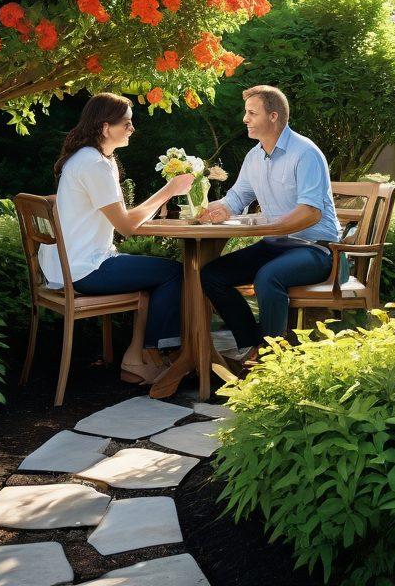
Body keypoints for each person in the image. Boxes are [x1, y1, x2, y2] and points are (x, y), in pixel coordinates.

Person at [41, 92, 193, 385]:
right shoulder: (94, 164)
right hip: (86, 268)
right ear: (104, 127)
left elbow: (124, 217)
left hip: (77, 263)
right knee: (175, 273)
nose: (132, 129)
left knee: (156, 278)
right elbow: (126, 226)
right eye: (126, 123)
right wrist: (168, 191)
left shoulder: (94, 159)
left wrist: (154, 203)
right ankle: (156, 354)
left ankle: (135, 360)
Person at [199, 85, 340, 366]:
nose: (245, 119)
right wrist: (217, 209)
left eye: (252, 113)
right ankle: (256, 343)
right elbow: (238, 197)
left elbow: (310, 213)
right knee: (212, 274)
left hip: (316, 249)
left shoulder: (305, 153)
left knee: (267, 276)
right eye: (246, 112)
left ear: (273, 116)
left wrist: (268, 229)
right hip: (277, 245)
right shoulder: (254, 156)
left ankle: (271, 357)